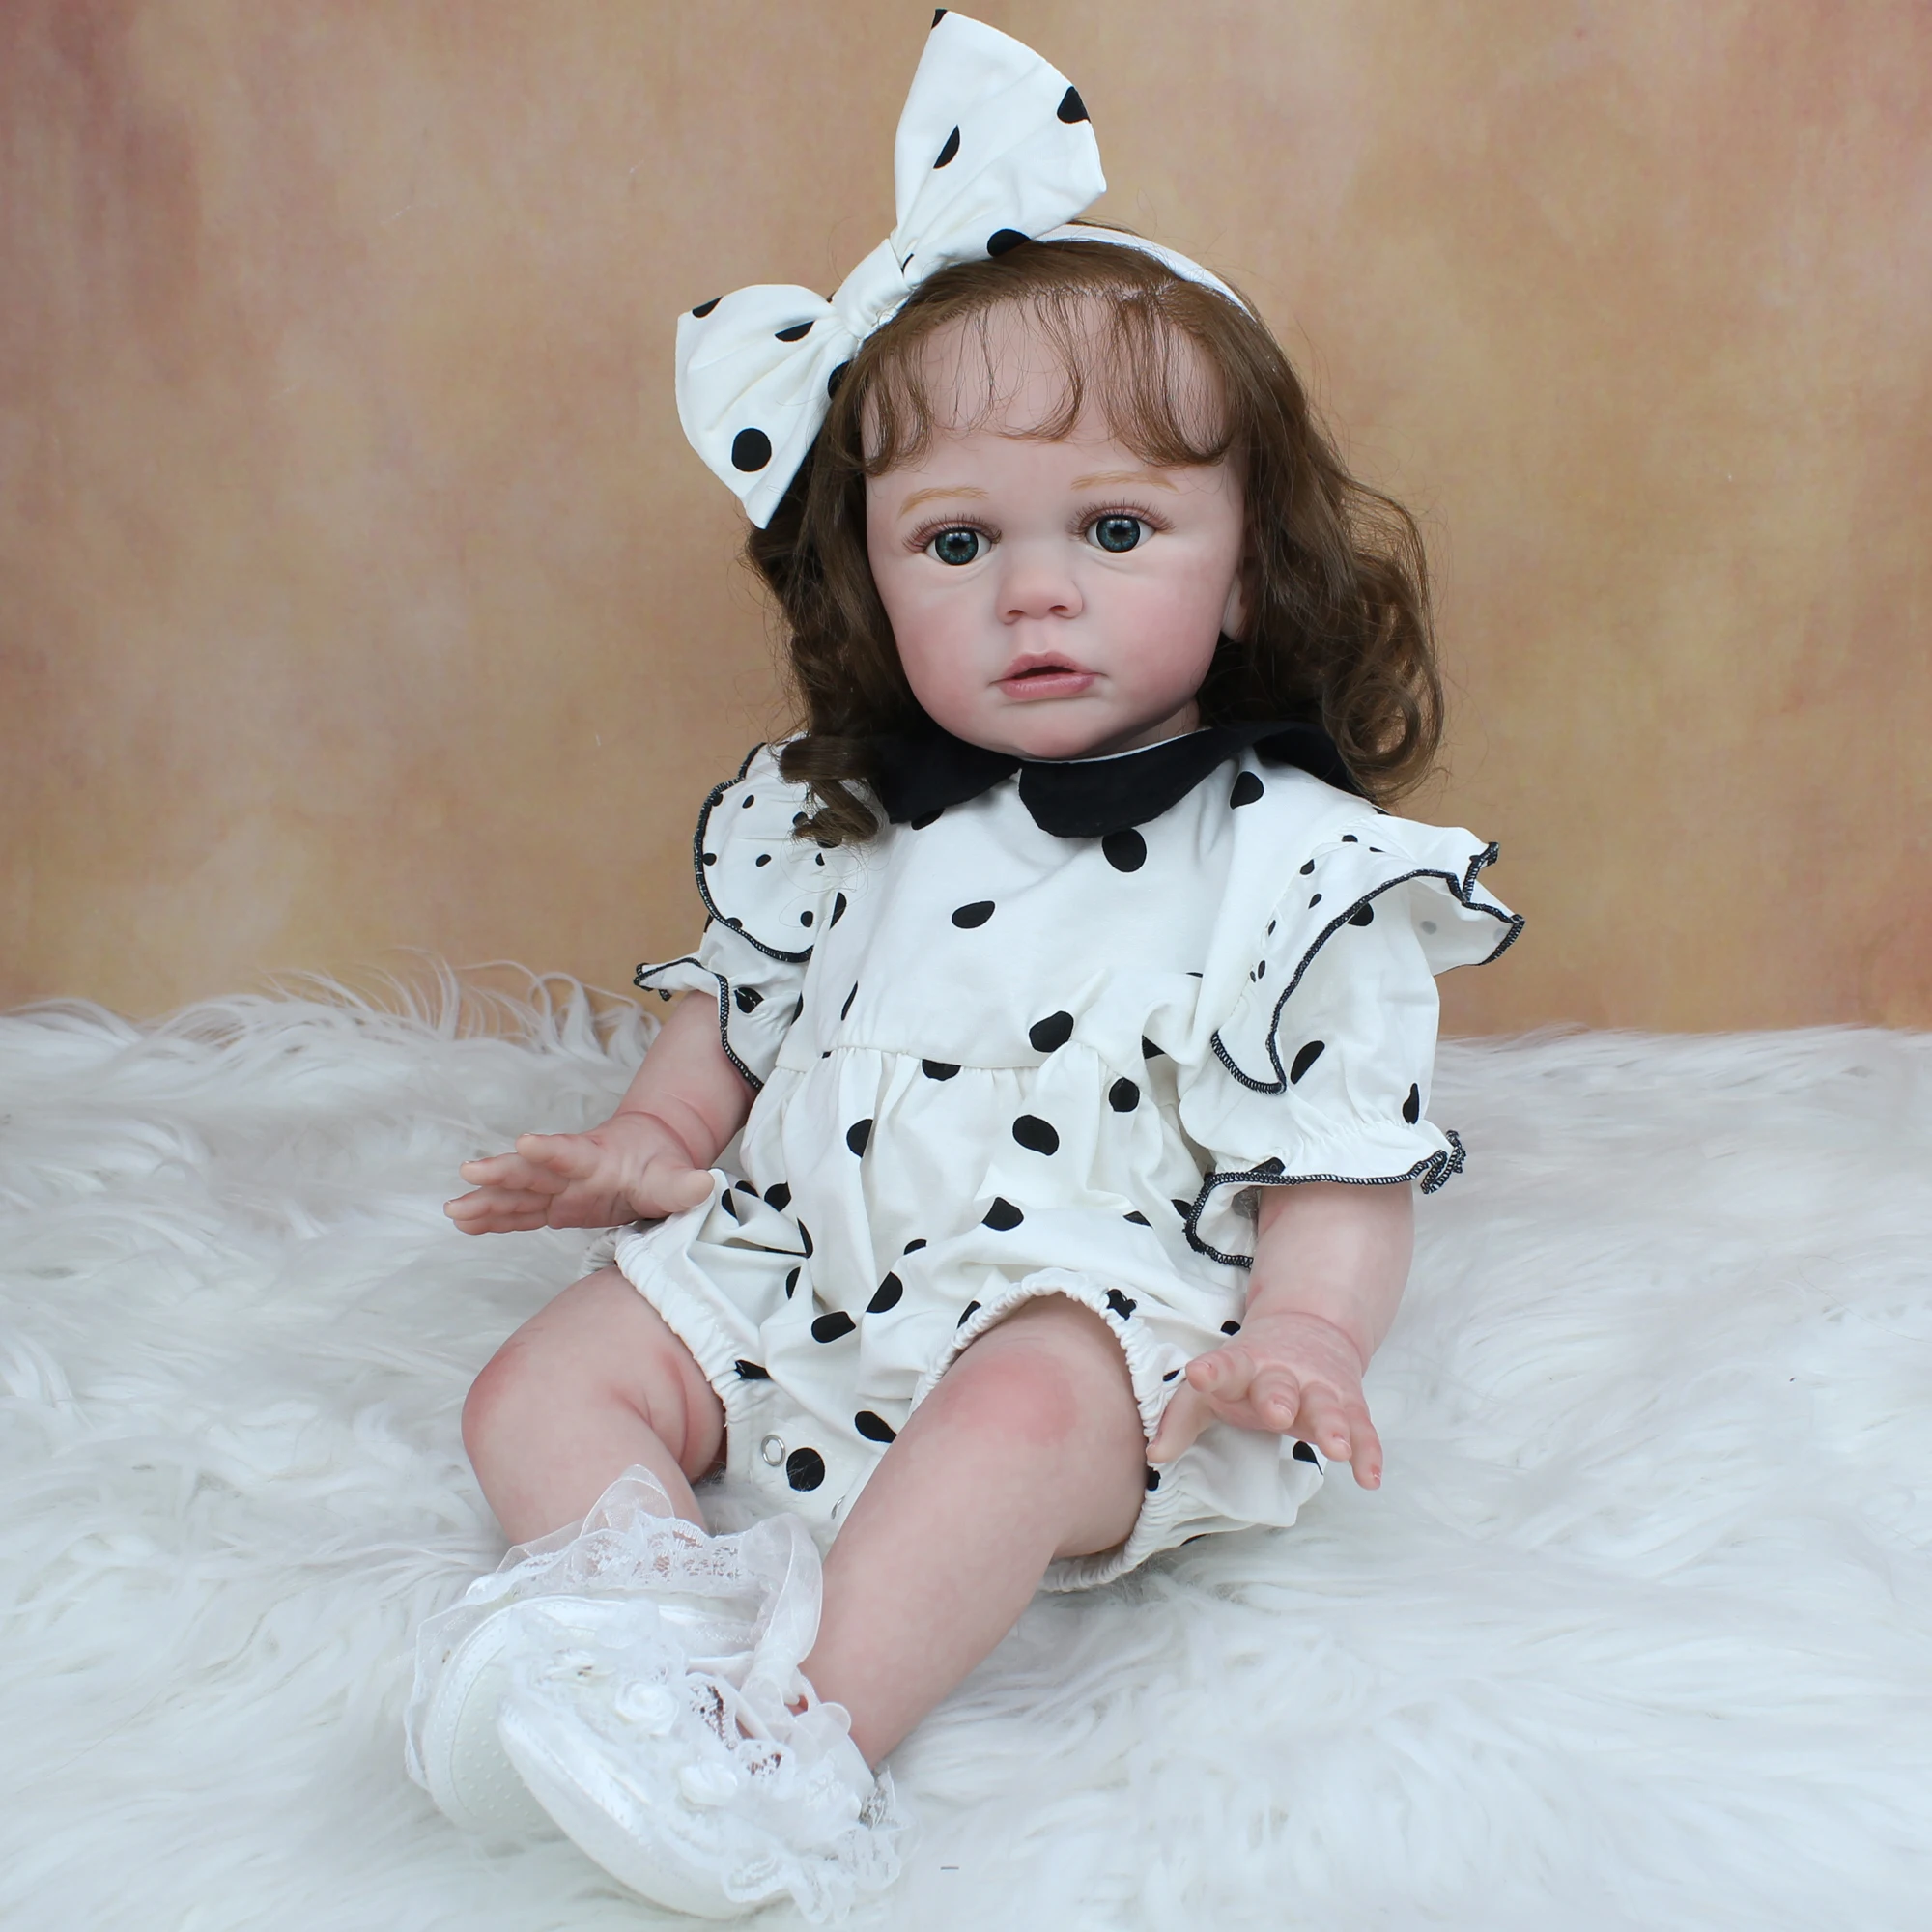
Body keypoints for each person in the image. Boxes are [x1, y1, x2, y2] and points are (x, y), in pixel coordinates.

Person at [405, 14, 1520, 1920]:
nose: (1035, 590)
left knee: (1022, 1411)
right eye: (954, 540)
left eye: (1116, 527)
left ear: (1249, 568)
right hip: (798, 1273)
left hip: (1078, 1309)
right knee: (541, 1378)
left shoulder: (1292, 863)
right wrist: (650, 1143)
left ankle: (791, 1747)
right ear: (868, 575)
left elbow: (1336, 1152)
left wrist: (1309, 1335)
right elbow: (729, 1028)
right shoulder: (826, 820)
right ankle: (640, 1631)